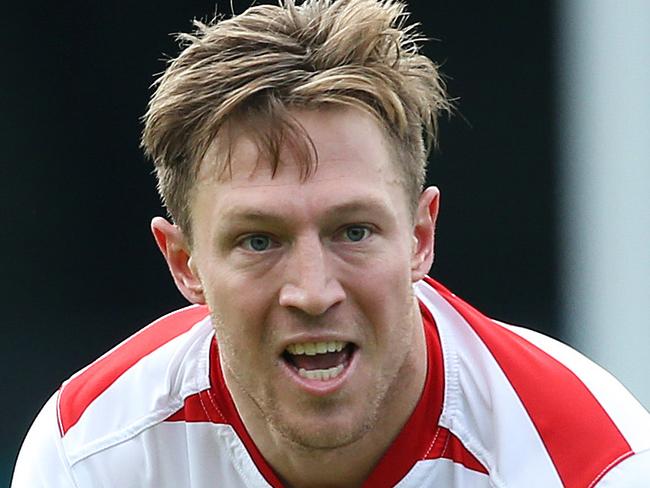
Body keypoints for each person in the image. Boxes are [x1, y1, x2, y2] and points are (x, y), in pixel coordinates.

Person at [12, 0, 650, 486]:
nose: (312, 292)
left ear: (421, 238)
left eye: (354, 231)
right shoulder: (89, 456)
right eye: (259, 239)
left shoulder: (589, 464)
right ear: (185, 264)